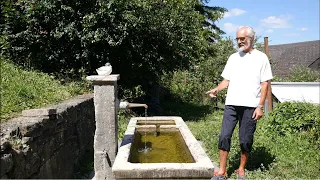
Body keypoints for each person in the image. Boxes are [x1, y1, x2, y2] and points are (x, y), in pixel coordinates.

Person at [206, 26, 273, 180]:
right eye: (237, 39)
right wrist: (217, 89)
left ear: (252, 38)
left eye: (242, 38)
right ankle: (222, 171)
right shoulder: (233, 58)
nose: (239, 41)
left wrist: (260, 106)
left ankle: (241, 169)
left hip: (251, 106)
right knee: (224, 136)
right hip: (231, 104)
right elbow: (227, 80)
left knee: (245, 139)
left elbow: (265, 84)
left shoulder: (261, 58)